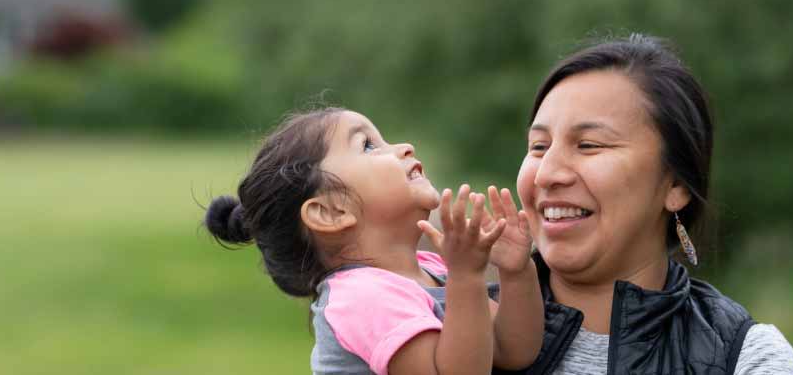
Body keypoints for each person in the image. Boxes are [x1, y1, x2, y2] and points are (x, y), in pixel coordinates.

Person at [503, 34, 793, 375]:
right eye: (539, 147)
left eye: (588, 145)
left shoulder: (745, 358)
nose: (546, 174)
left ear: (675, 184)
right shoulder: (454, 331)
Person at [203, 107, 543, 374]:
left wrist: (516, 271)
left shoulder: (432, 269)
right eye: (367, 145)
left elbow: (513, 351)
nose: (404, 147)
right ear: (331, 212)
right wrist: (467, 277)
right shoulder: (360, 297)